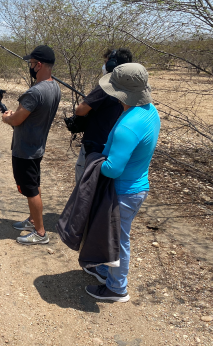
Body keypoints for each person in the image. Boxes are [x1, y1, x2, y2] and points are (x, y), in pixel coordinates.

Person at [83, 63, 160, 302]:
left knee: (117, 239)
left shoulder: (128, 125)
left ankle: (117, 288)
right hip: (135, 185)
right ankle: (106, 271)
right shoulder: (149, 111)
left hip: (123, 191)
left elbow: (113, 169)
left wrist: (95, 161)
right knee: (112, 235)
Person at [1, 45, 61, 245]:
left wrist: (7, 117)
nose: (30, 66)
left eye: (32, 63)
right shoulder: (55, 87)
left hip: (25, 150)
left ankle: (41, 233)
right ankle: (34, 220)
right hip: (37, 147)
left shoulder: (34, 93)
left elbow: (17, 119)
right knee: (35, 185)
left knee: (30, 189)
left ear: (40, 65)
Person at [74, 48, 133, 182]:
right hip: (113, 144)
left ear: (113, 65)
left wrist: (90, 99)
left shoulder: (106, 86)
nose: (104, 65)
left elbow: (80, 110)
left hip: (95, 142)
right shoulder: (129, 88)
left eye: (106, 62)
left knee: (85, 180)